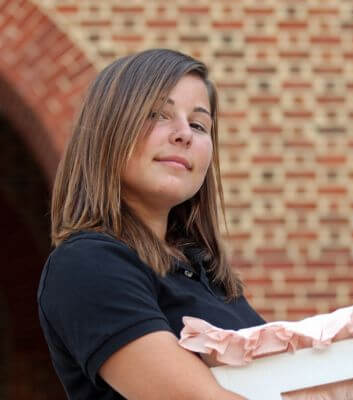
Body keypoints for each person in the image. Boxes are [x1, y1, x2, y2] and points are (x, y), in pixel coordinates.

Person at [37, 49, 263, 399]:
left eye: (199, 124)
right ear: (109, 131)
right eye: (158, 114)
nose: (184, 134)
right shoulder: (87, 265)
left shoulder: (209, 279)